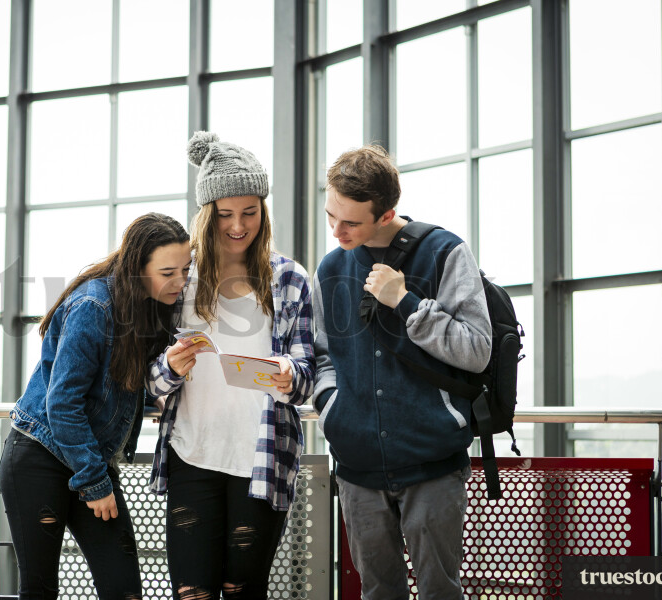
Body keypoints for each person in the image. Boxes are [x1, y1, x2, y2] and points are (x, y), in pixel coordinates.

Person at [312, 145, 491, 600]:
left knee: (439, 592)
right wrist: (334, 409)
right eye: (331, 214)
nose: (337, 230)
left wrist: (406, 303)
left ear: (387, 212)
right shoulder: (331, 267)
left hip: (432, 464)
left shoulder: (443, 252)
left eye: (351, 221)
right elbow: (322, 355)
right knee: (377, 593)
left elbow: (477, 350)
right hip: (356, 467)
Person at [146, 131, 315, 600]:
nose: (238, 226)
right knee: (191, 593)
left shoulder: (289, 279)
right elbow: (147, 383)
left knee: (243, 590)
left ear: (264, 209)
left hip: (260, 458)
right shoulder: (182, 280)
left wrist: (288, 375)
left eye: (250, 212)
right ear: (206, 215)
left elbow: (307, 377)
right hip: (191, 454)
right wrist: (171, 367)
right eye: (224, 215)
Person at [0, 213, 191, 600]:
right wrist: (94, 481)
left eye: (185, 269)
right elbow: (63, 403)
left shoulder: (147, 305)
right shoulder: (94, 305)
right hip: (40, 460)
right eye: (168, 272)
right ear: (138, 269)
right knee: (39, 591)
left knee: (124, 590)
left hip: (90, 459)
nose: (181, 281)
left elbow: (121, 384)